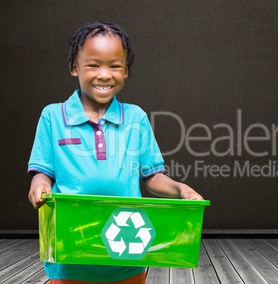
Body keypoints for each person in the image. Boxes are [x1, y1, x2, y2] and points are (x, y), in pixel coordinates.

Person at [27, 21, 203, 284]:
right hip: (71, 252)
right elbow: (43, 172)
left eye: (115, 66)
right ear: (74, 68)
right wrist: (39, 185)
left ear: (126, 70)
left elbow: (152, 177)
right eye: (93, 65)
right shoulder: (53, 116)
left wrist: (180, 189)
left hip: (127, 254)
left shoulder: (136, 118)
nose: (104, 74)